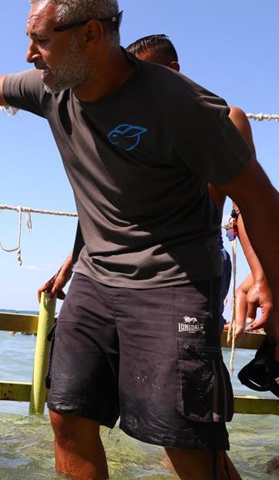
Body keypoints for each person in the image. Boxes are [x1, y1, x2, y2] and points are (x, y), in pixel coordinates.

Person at [0, 1, 279, 478]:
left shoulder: (181, 105)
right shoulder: (52, 89)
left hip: (172, 284)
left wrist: (271, 283)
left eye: (42, 40)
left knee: (184, 443)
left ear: (91, 34)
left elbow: (261, 199)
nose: (30, 54)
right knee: (67, 414)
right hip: (97, 281)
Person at [38, 34, 267, 337]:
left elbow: (248, 206)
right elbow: (106, 207)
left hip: (193, 263)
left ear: (172, 70)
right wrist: (70, 266)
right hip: (123, 260)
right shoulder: (130, 133)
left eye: (144, 77)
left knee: (181, 371)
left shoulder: (224, 121)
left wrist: (263, 277)